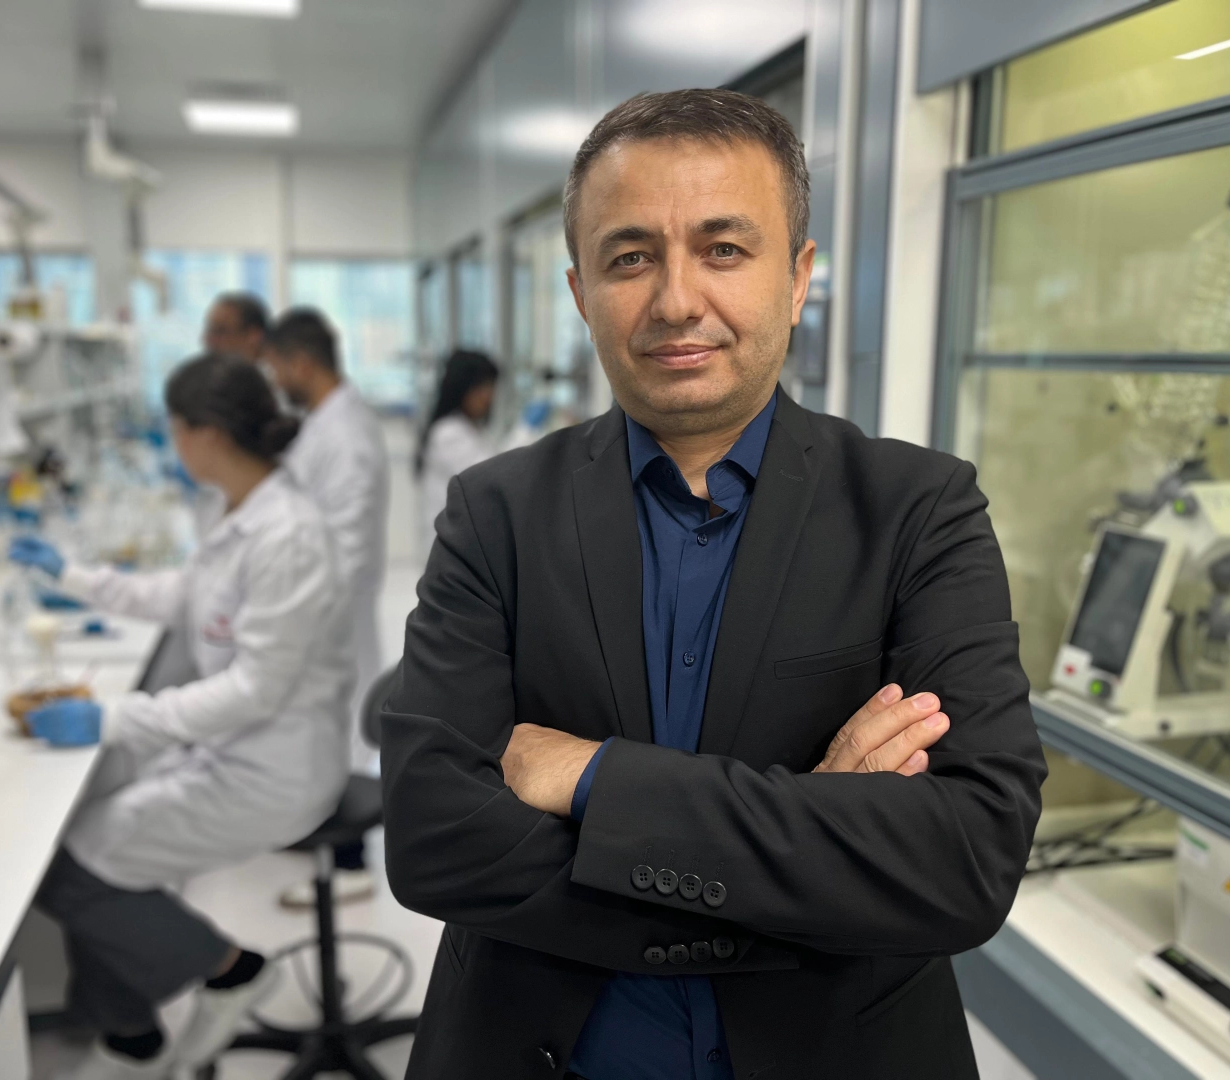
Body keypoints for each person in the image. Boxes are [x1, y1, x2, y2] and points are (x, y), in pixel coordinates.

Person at [380, 88, 1045, 1080]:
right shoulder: (496, 515)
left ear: (798, 277)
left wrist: (595, 779)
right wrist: (808, 856)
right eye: (631, 258)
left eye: (724, 250)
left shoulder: (918, 512)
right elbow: (434, 837)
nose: (677, 301)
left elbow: (966, 856)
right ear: (581, 292)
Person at [12, 354, 352, 1080]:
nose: (171, 442)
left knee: (71, 867)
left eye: (173, 429)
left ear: (206, 434)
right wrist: (75, 579)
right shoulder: (235, 507)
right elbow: (184, 596)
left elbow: (254, 691)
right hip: (235, 750)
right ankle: (130, 1037)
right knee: (89, 845)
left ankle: (229, 971)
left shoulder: (288, 535)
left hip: (278, 769)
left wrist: (111, 719)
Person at [261, 308, 389, 771]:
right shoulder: (323, 423)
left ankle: (349, 805)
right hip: (320, 606)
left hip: (333, 611)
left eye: (276, 369)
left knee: (344, 736)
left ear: (301, 364)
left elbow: (348, 547)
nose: (275, 382)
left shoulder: (346, 436)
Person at [416, 349, 499, 556]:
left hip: (461, 546)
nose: (488, 396)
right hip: (450, 551)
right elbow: (491, 474)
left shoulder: (469, 429)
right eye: (481, 387)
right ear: (461, 388)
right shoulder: (448, 433)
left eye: (491, 387)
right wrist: (527, 429)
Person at [201, 291, 269, 362]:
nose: (209, 340)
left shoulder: (274, 368)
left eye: (220, 331)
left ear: (253, 336)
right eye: (209, 331)